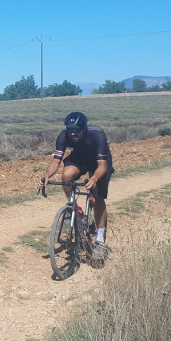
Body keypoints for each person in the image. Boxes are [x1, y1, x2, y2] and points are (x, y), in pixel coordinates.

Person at [37, 111, 114, 259]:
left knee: (96, 198)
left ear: (84, 128)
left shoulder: (97, 134)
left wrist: (94, 179)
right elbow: (56, 162)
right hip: (79, 157)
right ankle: (74, 207)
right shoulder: (63, 136)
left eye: (77, 130)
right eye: (70, 130)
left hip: (99, 162)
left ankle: (99, 241)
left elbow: (102, 165)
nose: (73, 134)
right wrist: (47, 176)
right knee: (66, 175)